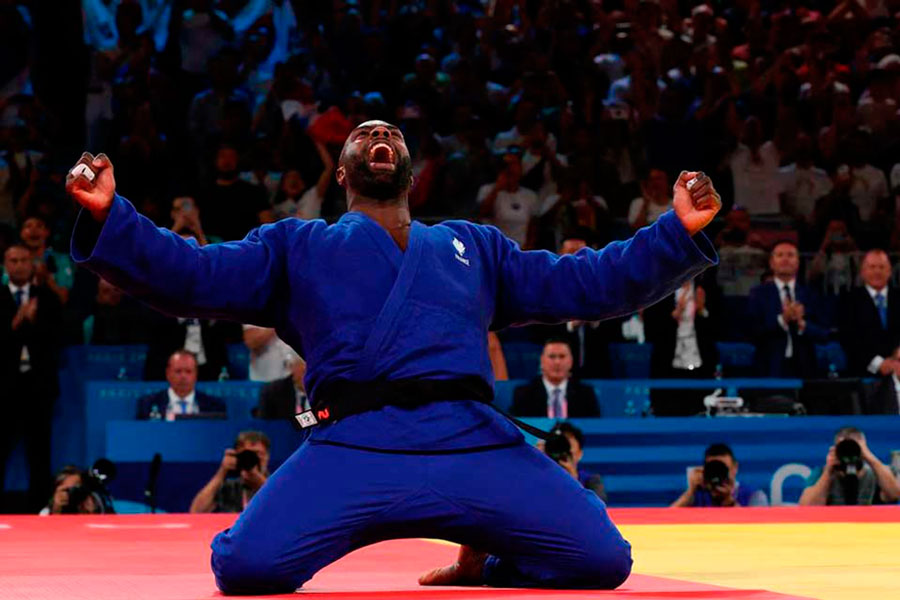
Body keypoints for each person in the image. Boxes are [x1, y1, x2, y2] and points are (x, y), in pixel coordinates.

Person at [67, 120, 720, 593]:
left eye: (394, 139)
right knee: (245, 567)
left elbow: (586, 284)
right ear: (344, 172)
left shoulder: (473, 248)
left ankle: (483, 562)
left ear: (411, 173)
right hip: (356, 444)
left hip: (471, 441)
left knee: (603, 560)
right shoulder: (296, 246)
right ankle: (482, 542)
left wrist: (675, 231)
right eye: (365, 138)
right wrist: (110, 220)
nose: (381, 141)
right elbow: (193, 274)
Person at [1, 243, 63, 510]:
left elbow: (57, 341)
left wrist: (34, 322)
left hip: (38, 389)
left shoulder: (47, 298)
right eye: (13, 260)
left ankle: (40, 510)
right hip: (4, 390)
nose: (18, 265)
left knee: (39, 454)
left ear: (32, 263)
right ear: (5, 266)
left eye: (24, 260)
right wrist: (17, 322)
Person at [747, 240, 828, 377]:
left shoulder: (811, 294)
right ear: (771, 263)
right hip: (769, 367)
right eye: (780, 255)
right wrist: (782, 320)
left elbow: (824, 334)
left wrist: (802, 324)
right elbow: (752, 332)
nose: (785, 259)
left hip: (806, 369)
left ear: (798, 263)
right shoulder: (758, 294)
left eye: (790, 255)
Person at [643, 276, 718, 416]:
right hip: (668, 363)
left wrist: (702, 311)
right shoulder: (661, 288)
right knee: (670, 410)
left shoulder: (704, 289)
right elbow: (651, 328)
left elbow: (719, 328)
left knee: (698, 409)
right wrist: (675, 314)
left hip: (699, 364)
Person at [799, 427, 900, 506]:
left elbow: (894, 495)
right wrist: (828, 470)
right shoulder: (821, 473)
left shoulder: (881, 472)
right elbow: (807, 507)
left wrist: (870, 458)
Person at [838, 249, 900, 377]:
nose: (877, 271)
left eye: (882, 267)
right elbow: (848, 338)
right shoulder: (849, 300)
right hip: (862, 374)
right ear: (863, 272)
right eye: (872, 267)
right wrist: (879, 364)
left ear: (889, 272)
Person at [511, 338, 601, 418]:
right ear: (542, 361)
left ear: (571, 361)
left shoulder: (586, 394)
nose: (557, 362)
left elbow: (594, 427)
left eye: (562, 356)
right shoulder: (523, 394)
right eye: (552, 356)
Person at [190, 431, 271, 513]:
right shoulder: (229, 487)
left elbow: (282, 507)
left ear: (267, 456)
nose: (252, 458)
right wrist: (222, 472)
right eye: (247, 454)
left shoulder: (277, 483)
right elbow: (196, 511)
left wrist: (261, 483)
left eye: (257, 453)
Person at [136, 350, 227, 420]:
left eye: (188, 371)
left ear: (196, 375)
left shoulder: (215, 406)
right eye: (178, 371)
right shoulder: (147, 405)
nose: (183, 376)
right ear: (168, 374)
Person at [670, 444, 768, 508]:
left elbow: (759, 531)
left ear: (735, 468)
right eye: (714, 469)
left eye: (723, 469)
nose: (719, 474)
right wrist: (690, 492)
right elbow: (665, 522)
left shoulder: (754, 495)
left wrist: (730, 502)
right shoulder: (696, 496)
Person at [545, 422, 606, 501]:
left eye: (567, 445)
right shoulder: (541, 478)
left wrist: (573, 478)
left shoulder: (592, 481)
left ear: (579, 454)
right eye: (559, 445)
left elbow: (598, 508)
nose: (563, 450)